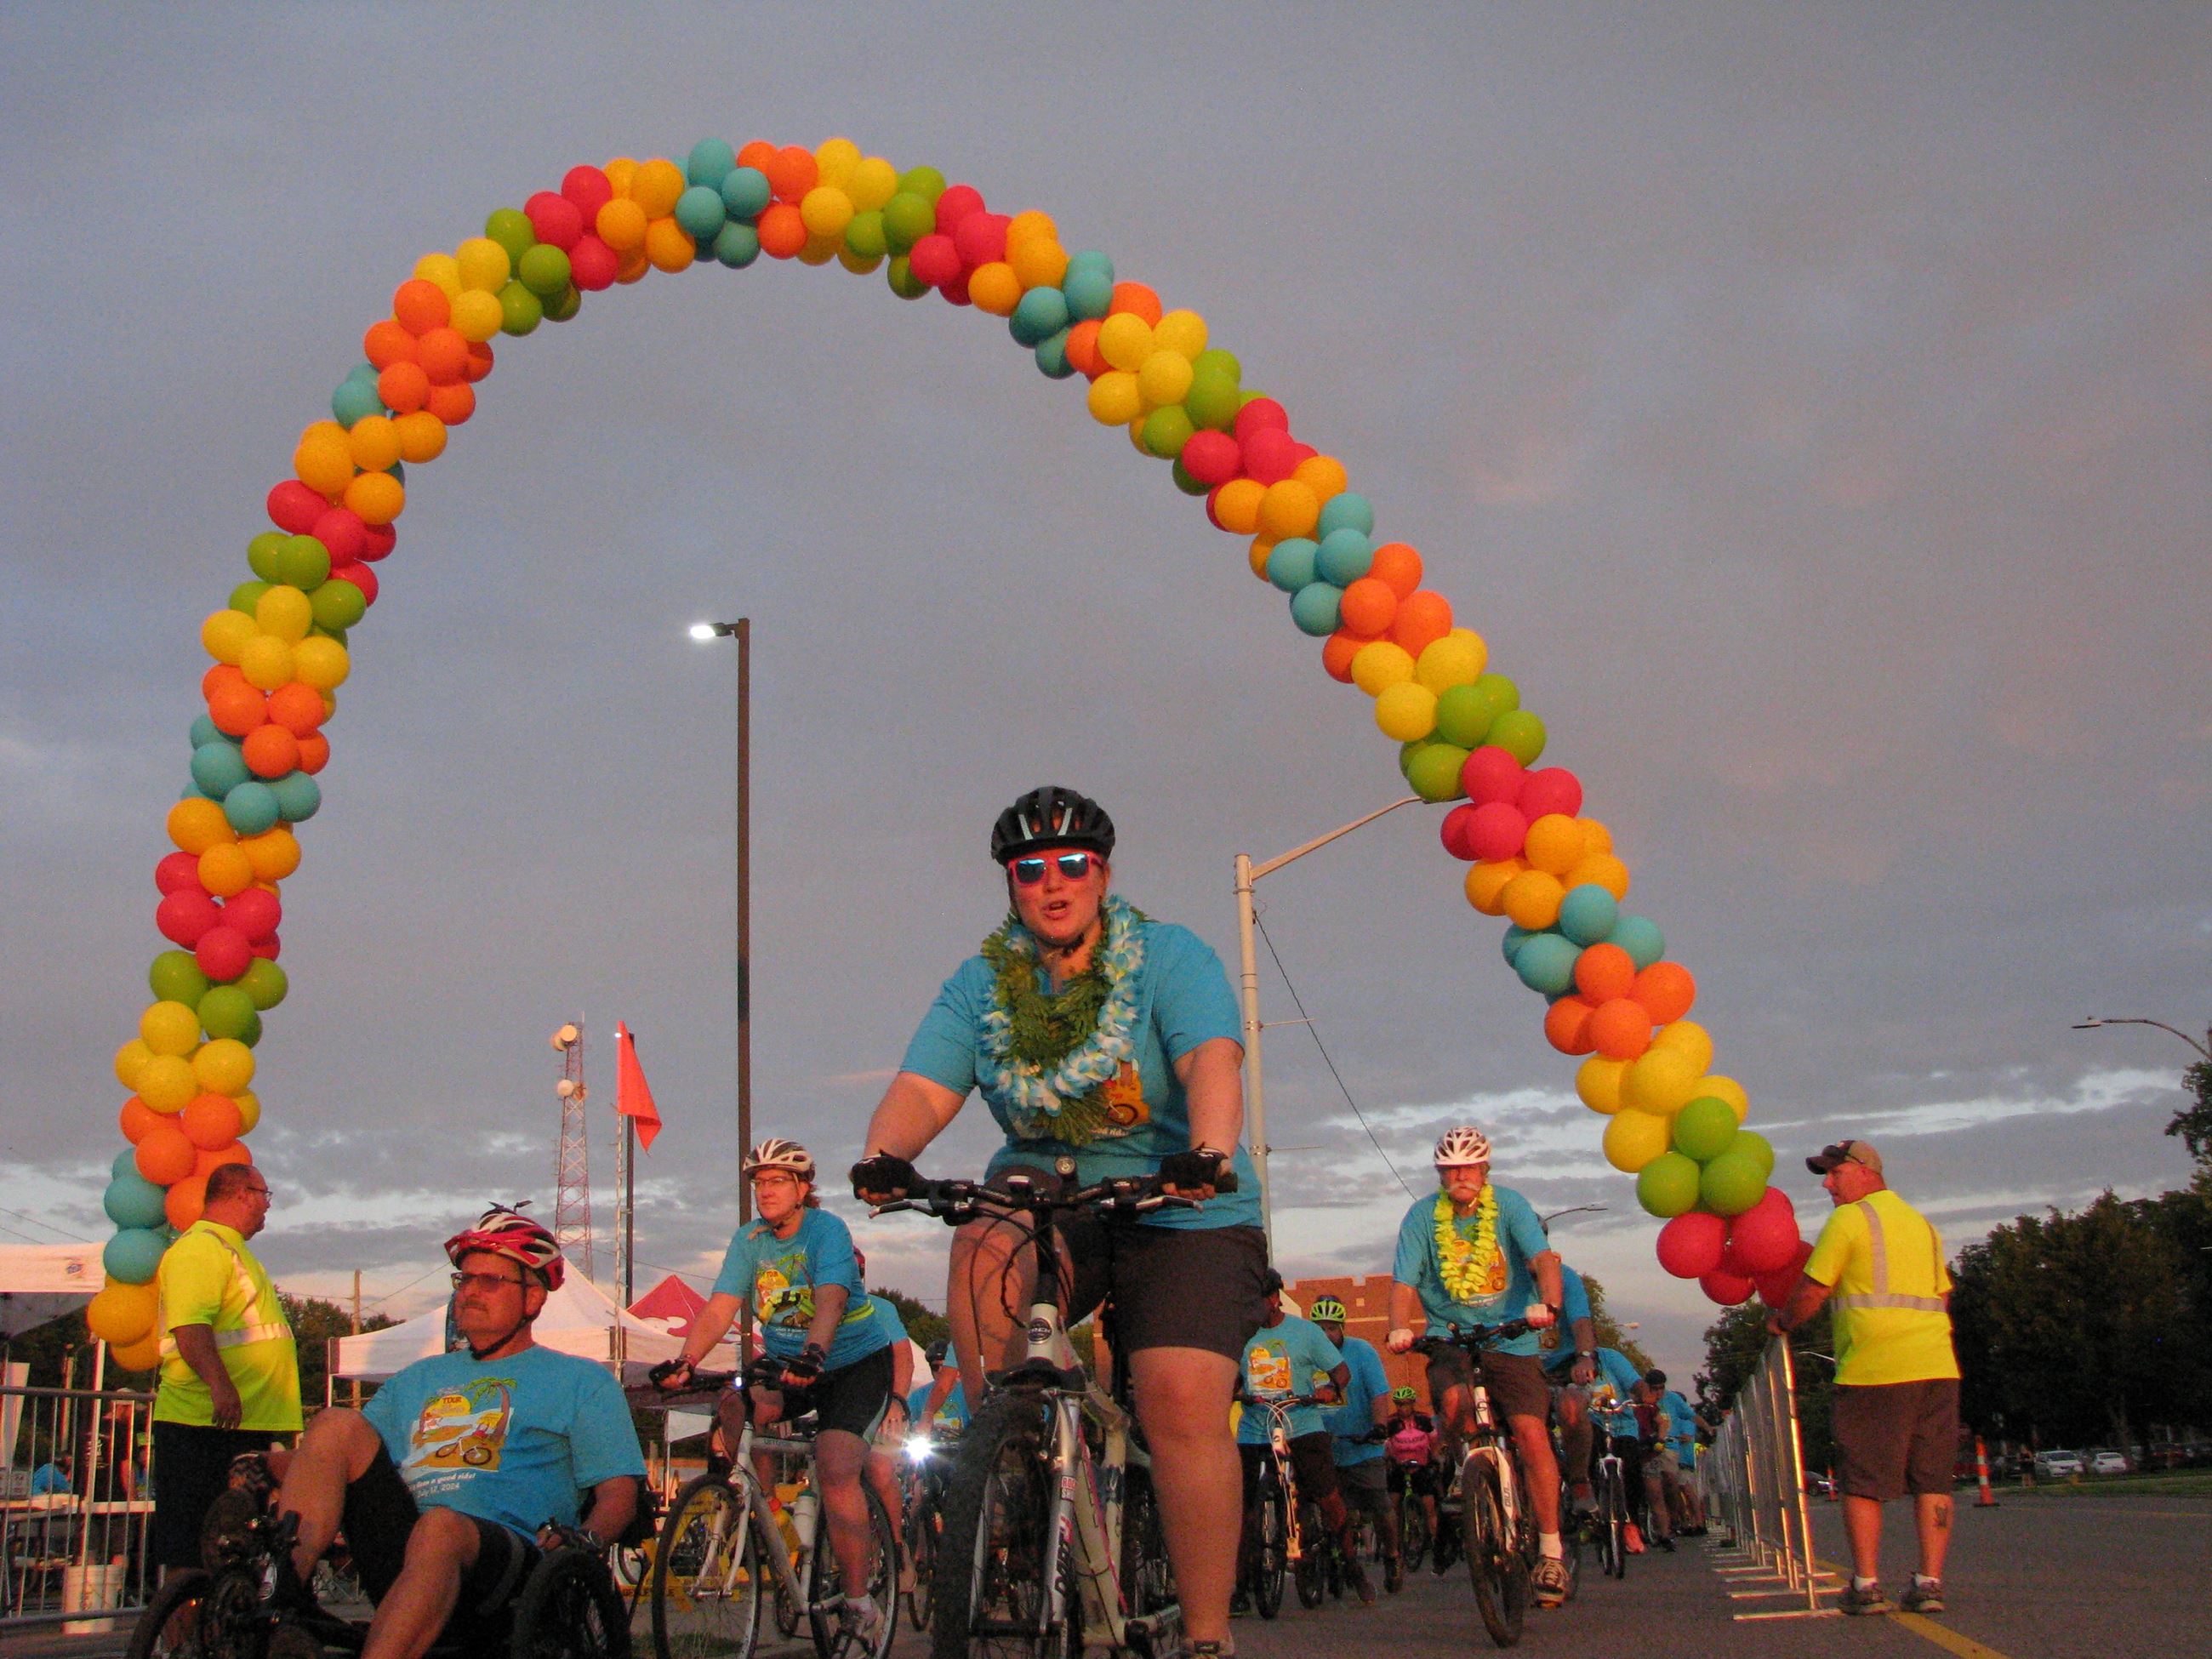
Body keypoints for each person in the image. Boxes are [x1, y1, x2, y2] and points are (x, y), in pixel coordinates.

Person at [851, 786, 1268, 1659]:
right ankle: (1013, 1457)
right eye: (1029, 869)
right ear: (1008, 885)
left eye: (1071, 865)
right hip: (1050, 1192)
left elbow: (1210, 1062)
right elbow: (924, 1089)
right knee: (979, 1240)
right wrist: (883, 1155)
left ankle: (1205, 1634)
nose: (1052, 883)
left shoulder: (1168, 957)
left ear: (1102, 875)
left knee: (1179, 1403)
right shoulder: (980, 985)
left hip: (1181, 1204)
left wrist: (1208, 1150)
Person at [271, 1206, 642, 1659]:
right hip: (406, 1552)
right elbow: (331, 1462)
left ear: (533, 1300)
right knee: (333, 1424)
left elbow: (618, 1495)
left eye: (491, 1281)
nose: (470, 1292)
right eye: (464, 1280)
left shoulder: (583, 1381)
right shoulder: (416, 1378)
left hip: (510, 1563)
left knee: (441, 1527)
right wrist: (258, 1464)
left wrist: (585, 1539)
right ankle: (281, 1605)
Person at [657, 1138, 896, 1650]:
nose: (765, 1191)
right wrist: (686, 1361)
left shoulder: (826, 1230)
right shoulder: (749, 1239)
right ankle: (753, 1499)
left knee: (835, 1467)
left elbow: (831, 1299)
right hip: (790, 1362)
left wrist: (815, 1352)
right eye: (759, 1182)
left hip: (853, 1364)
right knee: (734, 1404)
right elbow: (721, 1305)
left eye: (777, 1181)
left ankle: (858, 1599)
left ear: (803, 1188)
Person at [1769, 1139, 1959, 1616]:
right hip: (1937, 1366)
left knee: (1862, 1479)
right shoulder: (1922, 1225)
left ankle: (1867, 1585)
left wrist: (1782, 1324)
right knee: (1932, 1478)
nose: (1827, 1186)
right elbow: (1943, 1294)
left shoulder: (1851, 1220)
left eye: (1834, 1174)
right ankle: (1929, 1582)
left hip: (1876, 1369)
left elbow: (1813, 1290)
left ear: (1863, 1170)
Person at [1386, 1126, 1571, 1607]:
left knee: (1531, 1432)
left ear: (1485, 1170)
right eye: (1449, 1170)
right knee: (1452, 1403)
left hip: (1512, 1335)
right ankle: (1465, 1469)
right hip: (1451, 1335)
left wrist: (1548, 1304)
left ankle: (1551, 1553)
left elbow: (1543, 1259)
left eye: (1468, 1167)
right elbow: (1403, 1281)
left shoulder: (1509, 1205)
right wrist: (1398, 1327)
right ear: (1440, 1175)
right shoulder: (1422, 1216)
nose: (1459, 1176)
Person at [152, 1161, 299, 1577]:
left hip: (243, 1424)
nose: (267, 1207)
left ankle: (222, 1636)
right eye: (265, 1196)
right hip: (202, 1424)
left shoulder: (233, 1251)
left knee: (238, 1547)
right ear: (241, 1194)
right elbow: (190, 1325)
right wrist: (221, 1386)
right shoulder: (201, 1248)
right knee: (192, 1548)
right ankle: (181, 1640)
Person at [1235, 1274, 1367, 1605]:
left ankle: (1351, 1562)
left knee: (1327, 1496)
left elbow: (1341, 1373)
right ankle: (1241, 1585)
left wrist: (1329, 1390)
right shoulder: (1240, 1335)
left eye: (1262, 1298)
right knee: (1242, 1510)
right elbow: (1231, 1378)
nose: (1256, 1305)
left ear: (1275, 1298)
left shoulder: (1306, 1333)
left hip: (1302, 1424)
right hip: (1255, 1429)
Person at [1310, 1294, 1398, 1593]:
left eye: (1331, 1328)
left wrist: (1378, 1427)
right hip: (1325, 1447)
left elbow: (1379, 1394)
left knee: (1380, 1506)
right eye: (1319, 1328)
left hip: (1362, 1445)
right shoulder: (1307, 1358)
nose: (1326, 1334)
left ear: (1342, 1328)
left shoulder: (1362, 1352)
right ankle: (1336, 1561)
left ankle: (1392, 1556)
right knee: (1331, 1511)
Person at [1534, 1259, 1601, 1518]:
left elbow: (1581, 1323)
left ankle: (1579, 1482)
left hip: (1565, 1367)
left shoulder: (1565, 1277)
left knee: (1571, 1407)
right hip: (1524, 1367)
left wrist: (1584, 1357)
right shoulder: (1499, 1278)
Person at [1382, 1387, 1441, 1565]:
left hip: (1421, 1466)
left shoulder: (1423, 1419)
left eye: (1406, 1404)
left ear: (1412, 1404)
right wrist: (1388, 1461)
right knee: (1393, 1505)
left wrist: (1436, 1458)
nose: (1403, 1408)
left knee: (1429, 1505)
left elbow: (1435, 1440)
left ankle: (1436, 1543)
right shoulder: (1391, 1422)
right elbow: (1385, 1445)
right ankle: (1395, 1543)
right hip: (1399, 1467)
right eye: (1399, 1405)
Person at [1628, 1376, 1679, 1551]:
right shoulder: (1625, 1405)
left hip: (1647, 1452)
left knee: (1655, 1494)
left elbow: (1661, 1423)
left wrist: (1660, 1439)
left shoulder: (1649, 1407)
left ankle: (1665, 1534)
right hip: (1629, 1450)